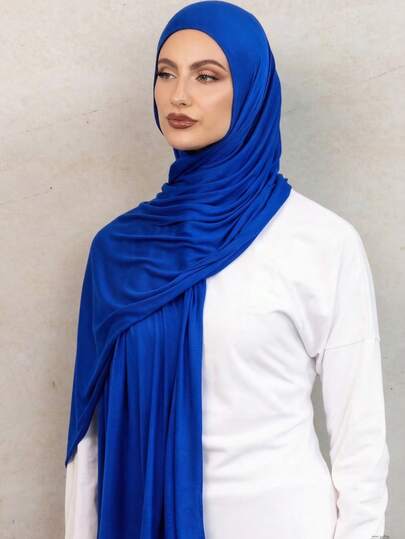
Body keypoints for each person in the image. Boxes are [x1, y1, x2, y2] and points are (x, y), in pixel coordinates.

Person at [64, 2, 390, 538]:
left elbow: (361, 440)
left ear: (252, 91)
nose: (179, 96)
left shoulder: (322, 243)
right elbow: (90, 440)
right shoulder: (118, 252)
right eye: (165, 73)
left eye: (207, 76)